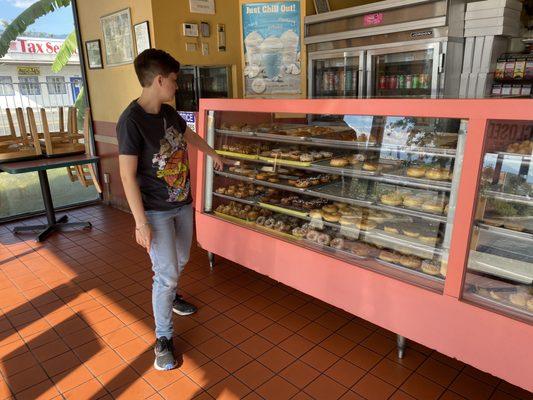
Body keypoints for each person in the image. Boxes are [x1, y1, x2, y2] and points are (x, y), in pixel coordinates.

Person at [117, 49, 228, 371]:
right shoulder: (131, 121)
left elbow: (187, 134)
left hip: (182, 203)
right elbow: (126, 174)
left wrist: (211, 153)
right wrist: (140, 224)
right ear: (159, 80)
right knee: (164, 276)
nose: (177, 87)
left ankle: (172, 295)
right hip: (155, 211)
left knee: (179, 261)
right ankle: (163, 339)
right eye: (175, 81)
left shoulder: (167, 113)